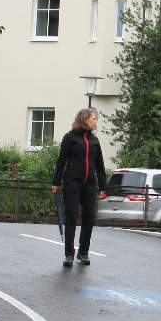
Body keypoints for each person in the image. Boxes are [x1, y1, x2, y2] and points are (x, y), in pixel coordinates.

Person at [51, 108, 107, 267]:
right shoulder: (70, 138)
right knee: (71, 215)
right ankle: (69, 254)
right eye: (93, 119)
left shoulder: (95, 140)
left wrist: (103, 187)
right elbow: (61, 161)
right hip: (72, 182)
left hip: (90, 184)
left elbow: (100, 166)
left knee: (89, 216)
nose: (95, 121)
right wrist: (56, 182)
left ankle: (83, 252)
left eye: (96, 119)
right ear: (83, 120)